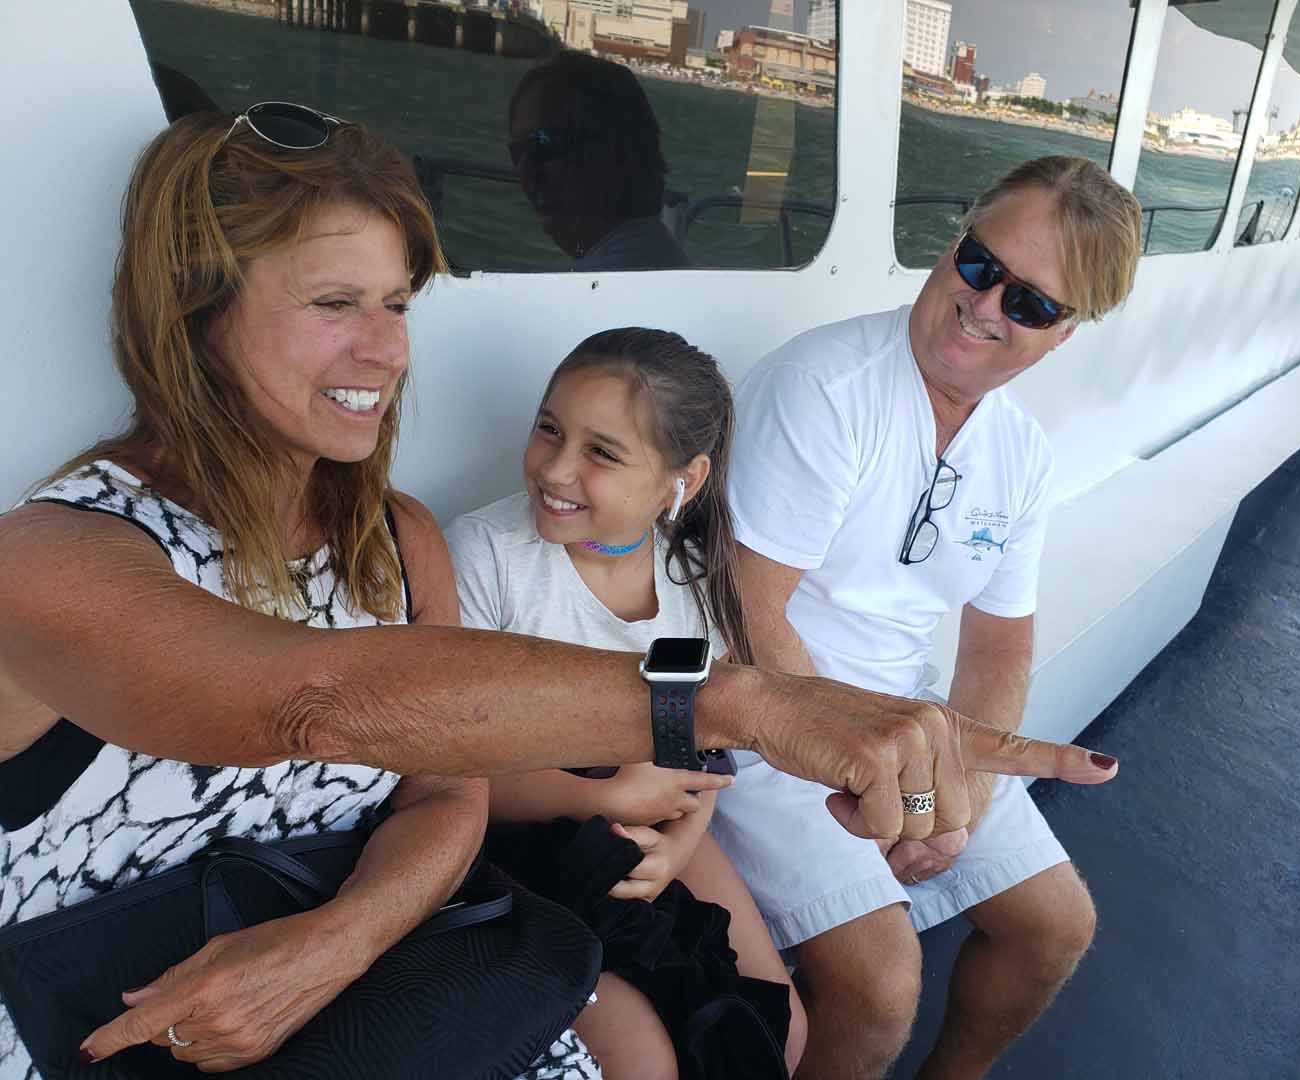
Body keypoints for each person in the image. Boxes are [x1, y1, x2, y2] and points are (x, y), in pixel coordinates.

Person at [0, 109, 1118, 1075]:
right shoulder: (50, 555)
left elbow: (444, 795)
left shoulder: (397, 537)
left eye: (399, 302)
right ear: (195, 311)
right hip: (98, 1024)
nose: (385, 352)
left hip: (363, 974)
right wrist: (743, 705)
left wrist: (341, 939)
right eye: (335, 300)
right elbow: (309, 696)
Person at [711, 155, 1142, 1079]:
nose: (986, 307)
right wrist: (908, 797)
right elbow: (752, 615)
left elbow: (999, 643)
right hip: (766, 722)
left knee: (1057, 926)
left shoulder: (1019, 454)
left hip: (907, 720)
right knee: (882, 984)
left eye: (1029, 304)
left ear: (1064, 335)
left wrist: (961, 797)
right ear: (954, 246)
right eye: (981, 267)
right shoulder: (825, 389)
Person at [446, 328, 804, 1078]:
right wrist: (605, 792)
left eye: (601, 452)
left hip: (651, 815)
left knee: (783, 1024)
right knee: (642, 1057)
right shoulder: (486, 559)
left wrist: (677, 845)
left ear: (685, 477)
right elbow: (452, 774)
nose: (556, 467)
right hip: (506, 836)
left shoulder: (697, 581)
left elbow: (699, 753)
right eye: (549, 428)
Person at [508, 51, 689, 271]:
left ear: (612, 150)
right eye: (517, 153)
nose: (526, 175)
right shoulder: (668, 262)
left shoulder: (584, 293)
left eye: (543, 146)